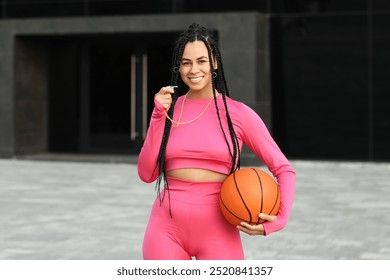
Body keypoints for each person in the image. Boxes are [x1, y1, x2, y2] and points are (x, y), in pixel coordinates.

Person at [137, 23, 296, 260]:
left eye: (201, 61)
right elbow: (147, 173)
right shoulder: (168, 110)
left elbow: (283, 169)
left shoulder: (239, 114)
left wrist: (279, 219)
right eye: (186, 62)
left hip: (219, 230)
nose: (193, 69)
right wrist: (158, 115)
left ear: (214, 63)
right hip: (165, 230)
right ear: (178, 67)